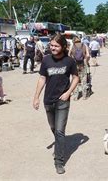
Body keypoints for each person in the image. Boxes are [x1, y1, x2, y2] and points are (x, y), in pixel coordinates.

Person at [32, 34, 79, 175]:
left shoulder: (69, 61)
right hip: (48, 100)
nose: (53, 47)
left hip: (63, 100)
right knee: (53, 128)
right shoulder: (46, 60)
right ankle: (59, 143)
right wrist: (36, 97)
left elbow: (76, 78)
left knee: (59, 130)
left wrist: (69, 92)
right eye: (51, 45)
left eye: (56, 45)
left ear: (63, 47)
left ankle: (59, 161)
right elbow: (42, 78)